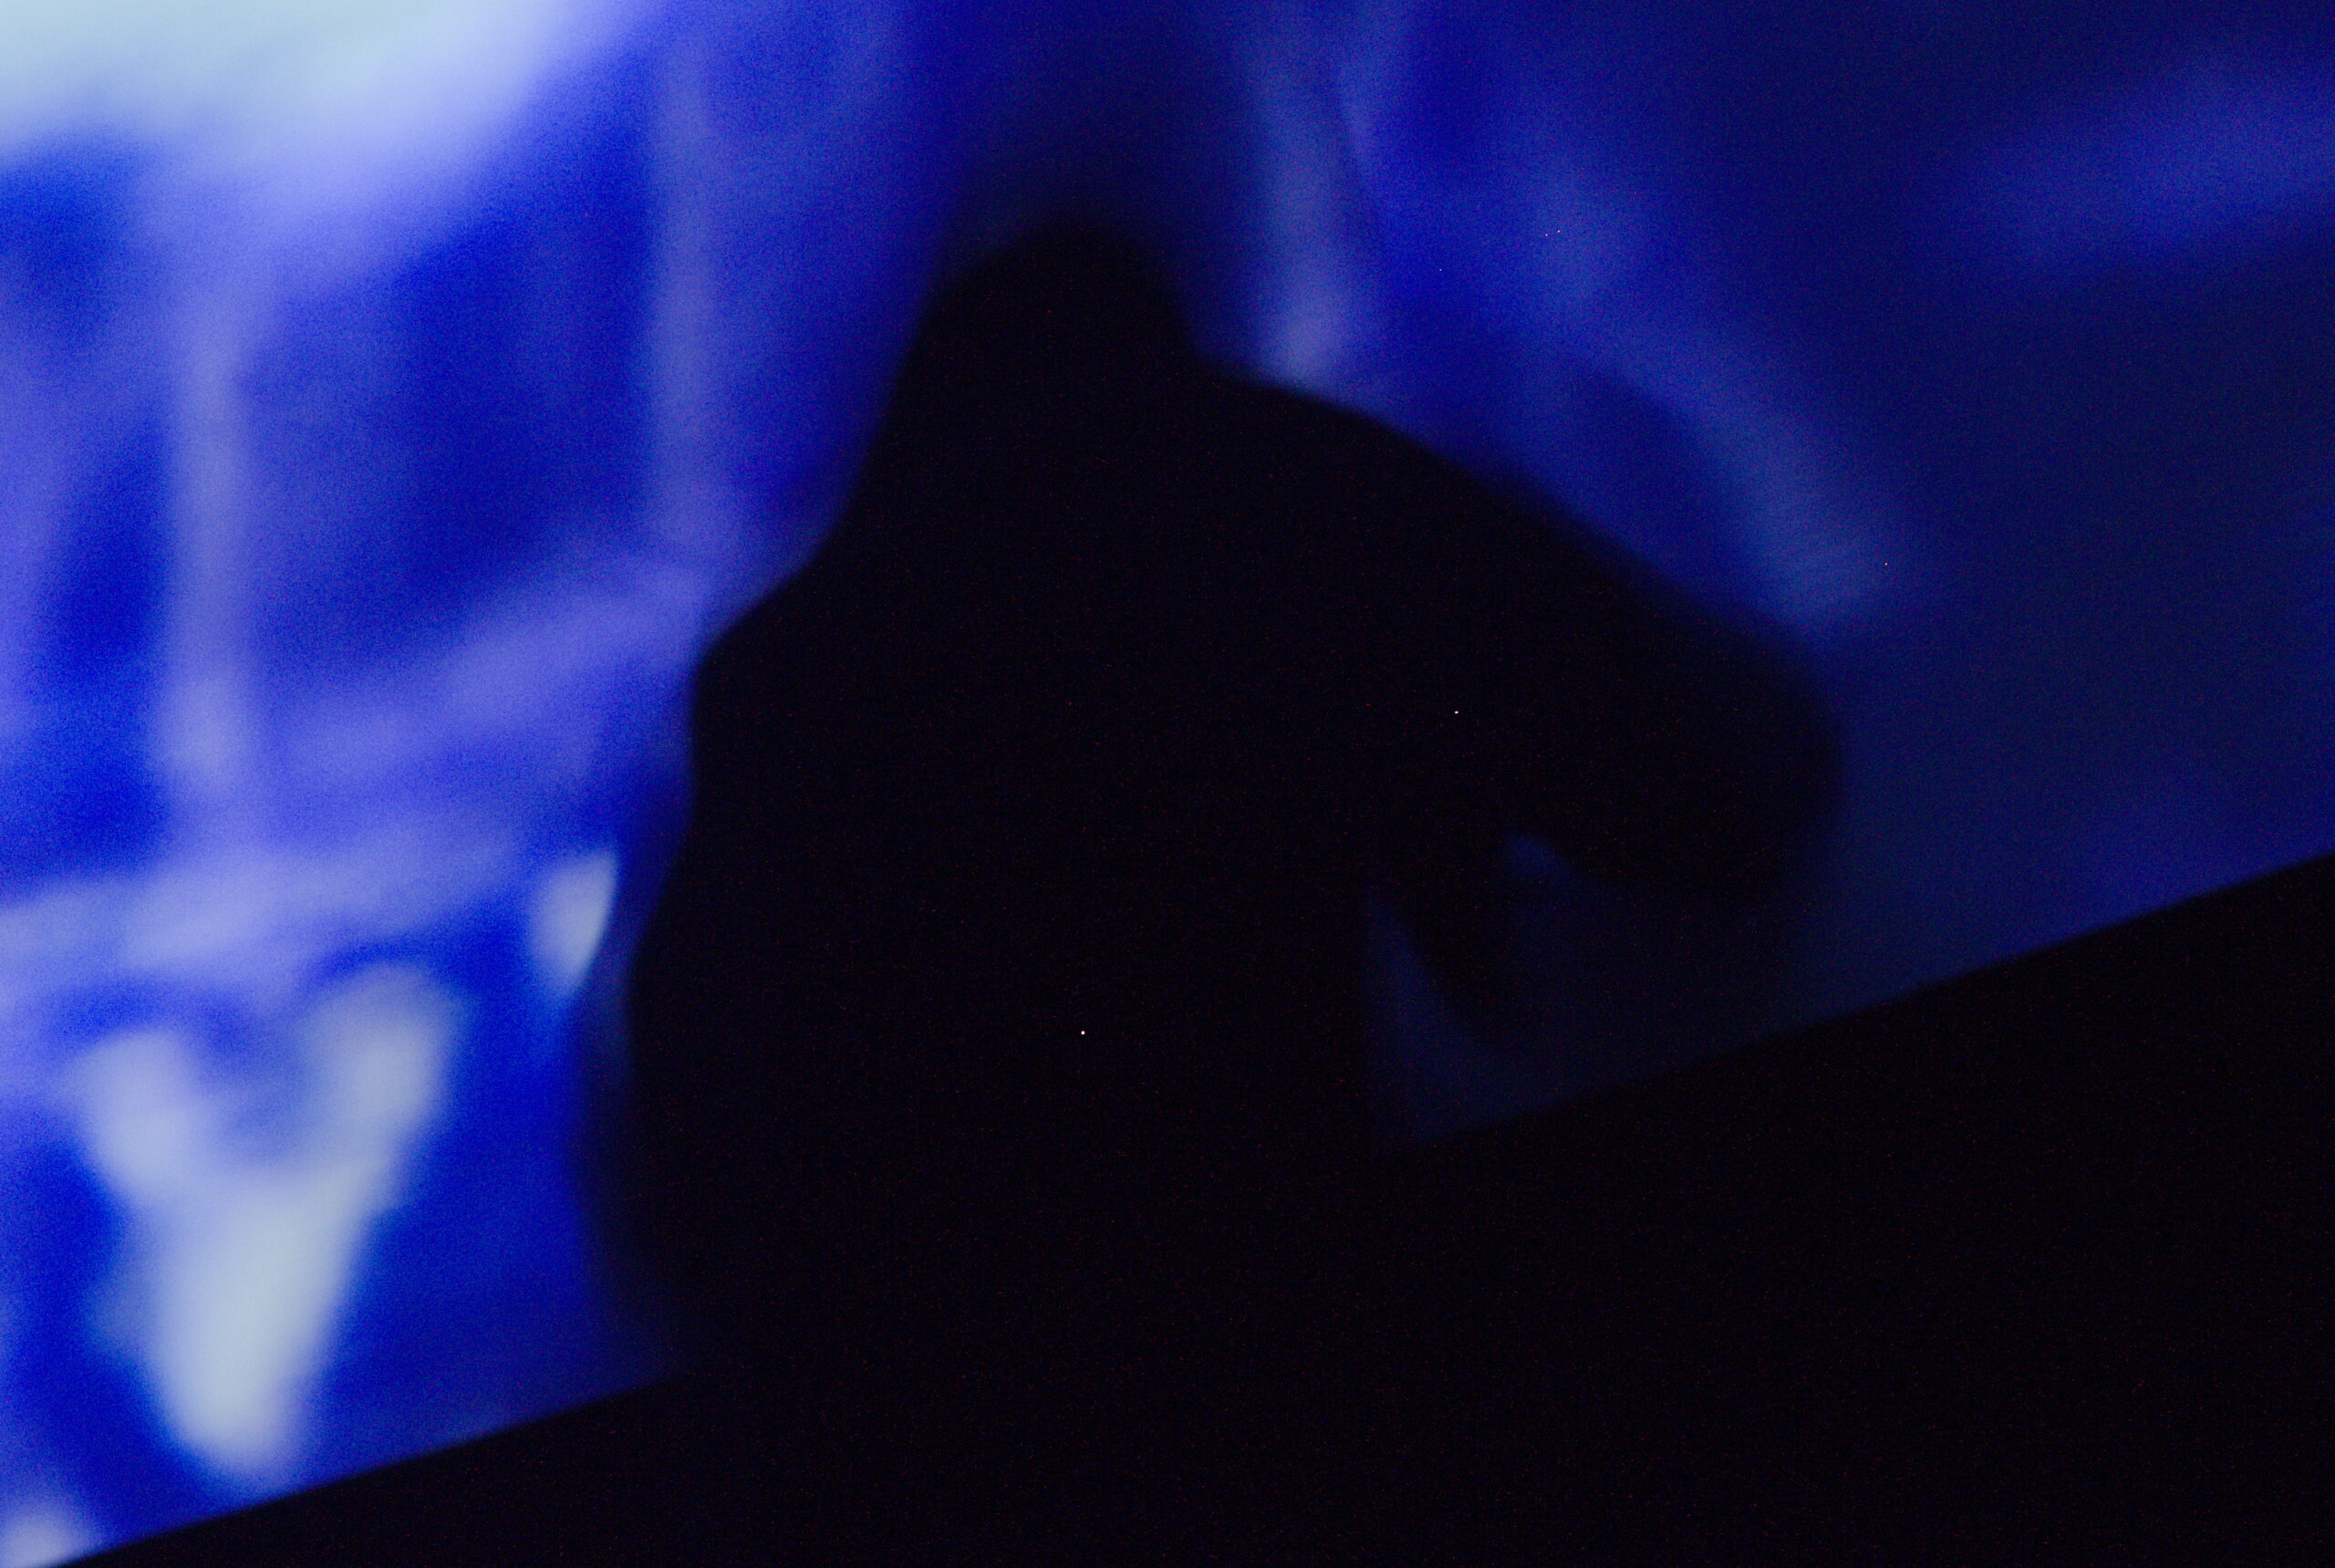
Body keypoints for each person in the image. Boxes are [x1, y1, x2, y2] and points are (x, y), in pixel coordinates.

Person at [612, 222, 1840, 1563]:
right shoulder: (1243, 480)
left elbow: (675, 1165)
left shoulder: (776, 687)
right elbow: (1711, 777)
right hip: (1260, 1415)